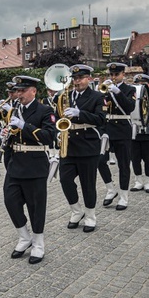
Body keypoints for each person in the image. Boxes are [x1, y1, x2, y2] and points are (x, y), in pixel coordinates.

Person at [2, 75, 56, 263]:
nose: (18, 94)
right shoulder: (14, 110)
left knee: (36, 206)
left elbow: (49, 137)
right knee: (10, 201)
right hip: (15, 164)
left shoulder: (45, 110)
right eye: (17, 91)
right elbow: (13, 137)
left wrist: (25, 126)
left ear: (33, 91)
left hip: (35, 164)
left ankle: (38, 244)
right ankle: (25, 237)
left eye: (22, 91)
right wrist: (6, 134)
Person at [58, 64, 106, 232]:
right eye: (75, 79)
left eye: (80, 78)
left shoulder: (98, 97)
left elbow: (101, 119)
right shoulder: (66, 96)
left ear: (89, 79)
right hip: (69, 144)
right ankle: (76, 211)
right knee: (65, 180)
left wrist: (80, 114)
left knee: (88, 184)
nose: (77, 81)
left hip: (88, 145)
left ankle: (91, 216)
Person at [97, 62, 136, 210]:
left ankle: (124, 196)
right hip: (107, 129)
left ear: (123, 75)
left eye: (116, 74)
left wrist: (117, 93)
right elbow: (101, 107)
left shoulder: (129, 89)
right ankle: (111, 189)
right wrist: (100, 93)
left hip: (122, 129)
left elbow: (129, 107)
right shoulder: (106, 89)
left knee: (123, 164)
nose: (113, 77)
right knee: (100, 160)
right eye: (111, 74)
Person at [130, 74, 149, 193]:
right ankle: (138, 181)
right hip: (134, 131)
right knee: (135, 158)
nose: (141, 85)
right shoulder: (132, 97)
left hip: (148, 131)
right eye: (138, 83)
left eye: (143, 83)